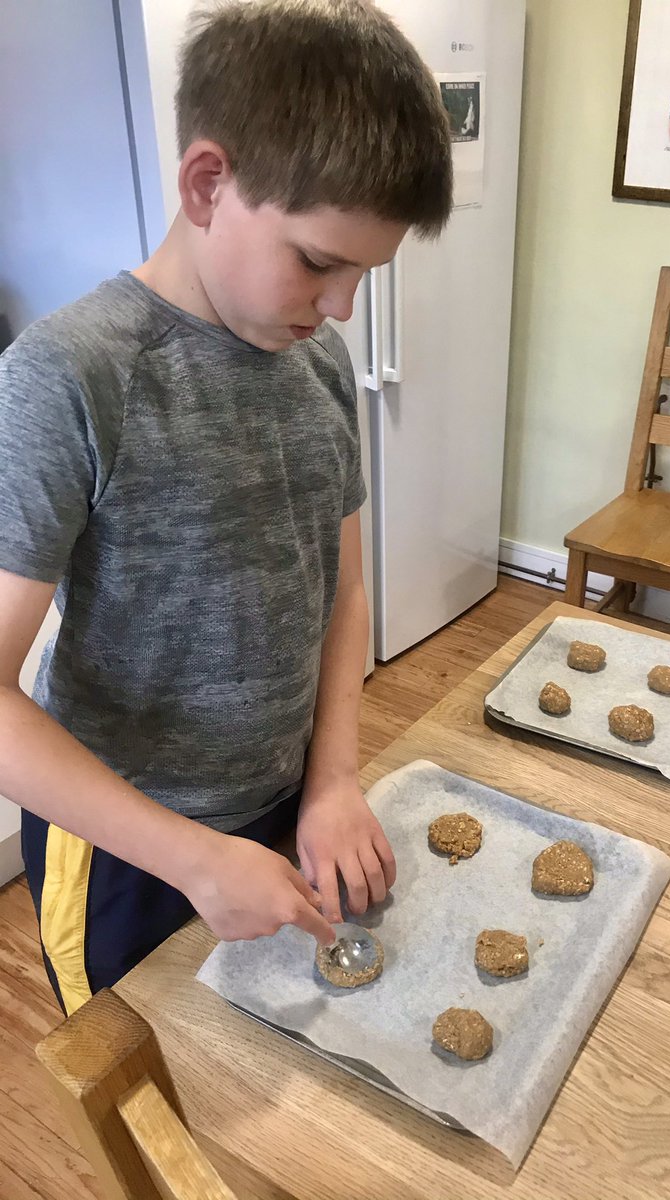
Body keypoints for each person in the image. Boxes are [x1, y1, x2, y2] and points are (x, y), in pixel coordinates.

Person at [0, 0, 452, 1015]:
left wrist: (334, 781)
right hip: (127, 849)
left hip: (285, 813)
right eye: (319, 262)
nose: (340, 307)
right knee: (154, 1096)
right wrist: (192, 857)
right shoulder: (68, 377)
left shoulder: (320, 364)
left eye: (363, 274)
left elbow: (343, 591)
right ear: (208, 183)